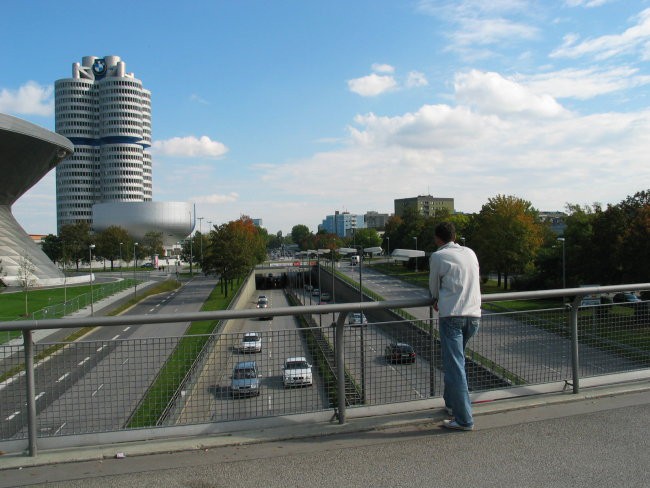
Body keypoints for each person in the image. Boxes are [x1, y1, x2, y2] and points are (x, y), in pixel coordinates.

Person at [429, 222, 481, 431]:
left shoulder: (438, 256)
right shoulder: (470, 252)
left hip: (452, 317)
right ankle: (451, 405)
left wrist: (435, 298)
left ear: (437, 239)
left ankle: (464, 419)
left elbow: (433, 285)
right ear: (454, 236)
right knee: (456, 364)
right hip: (474, 316)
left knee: (455, 368)